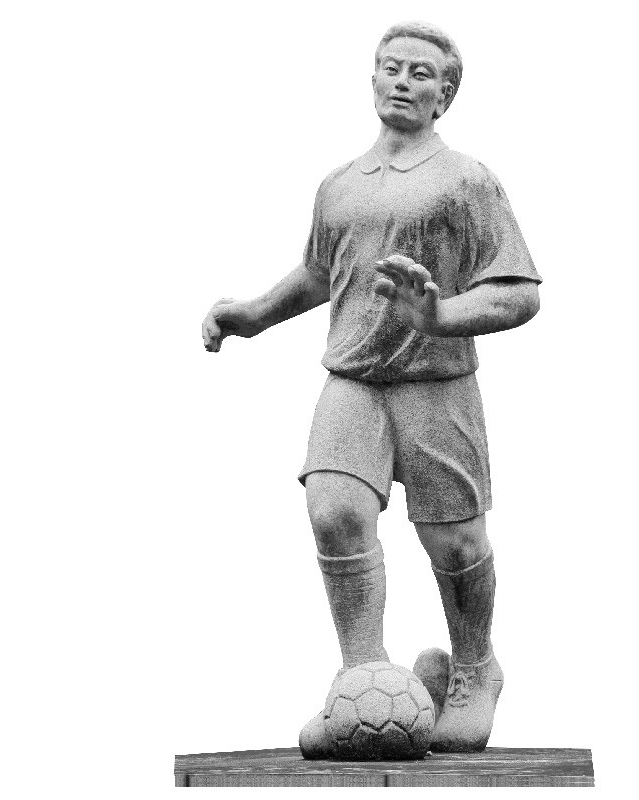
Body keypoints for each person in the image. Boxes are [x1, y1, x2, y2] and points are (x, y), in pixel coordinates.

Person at [201, 20, 542, 755]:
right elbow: (321, 273)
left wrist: (441, 315)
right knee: (333, 510)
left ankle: (473, 670)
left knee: (455, 540)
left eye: (421, 73)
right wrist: (253, 315)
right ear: (373, 78)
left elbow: (519, 292)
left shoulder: (467, 181)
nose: (402, 82)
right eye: (391, 68)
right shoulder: (341, 185)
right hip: (353, 379)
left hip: (436, 383)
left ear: (445, 95)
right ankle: (365, 679)